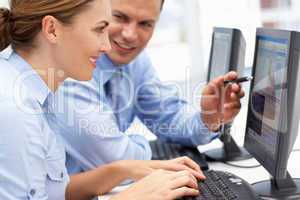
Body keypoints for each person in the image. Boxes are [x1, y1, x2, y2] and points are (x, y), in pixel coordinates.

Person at [0, 1, 205, 199]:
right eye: (99, 30)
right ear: (52, 29)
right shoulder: (15, 110)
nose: (107, 46)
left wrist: (122, 169)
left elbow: (53, 192)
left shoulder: (37, 92)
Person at [48, 0, 245, 174]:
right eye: (119, 17)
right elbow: (114, 161)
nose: (130, 35)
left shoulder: (135, 62)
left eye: (145, 24)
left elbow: (170, 116)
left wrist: (208, 118)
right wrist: (145, 148)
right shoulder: (70, 65)